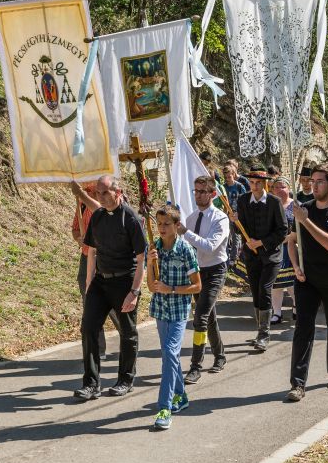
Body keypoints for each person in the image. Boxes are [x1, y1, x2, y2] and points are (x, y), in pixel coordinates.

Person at [74, 175, 147, 401]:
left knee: (127, 332)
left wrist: (134, 291)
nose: (101, 197)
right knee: (89, 328)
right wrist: (89, 283)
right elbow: (92, 251)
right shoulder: (96, 217)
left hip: (124, 282)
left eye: (105, 192)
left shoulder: (131, 219)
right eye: (98, 193)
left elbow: (142, 258)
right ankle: (91, 384)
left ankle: (125, 379)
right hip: (100, 282)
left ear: (118, 192)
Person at [285, 163, 328, 402]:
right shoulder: (304, 209)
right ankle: (297, 383)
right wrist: (295, 266)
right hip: (307, 279)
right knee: (303, 327)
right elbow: (291, 241)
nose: (314, 186)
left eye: (320, 182)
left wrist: (305, 221)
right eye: (312, 182)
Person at [146, 205, 202, 430]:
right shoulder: (154, 248)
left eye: (166, 224)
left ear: (177, 226)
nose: (161, 228)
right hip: (160, 310)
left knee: (169, 353)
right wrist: (150, 264)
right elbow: (152, 286)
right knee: (171, 357)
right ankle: (181, 395)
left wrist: (172, 289)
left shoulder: (185, 250)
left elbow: (197, 285)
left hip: (178, 311)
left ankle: (164, 407)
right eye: (159, 224)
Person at [179, 175, 230, 384]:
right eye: (196, 191)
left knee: (199, 317)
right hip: (197, 272)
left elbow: (210, 246)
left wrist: (186, 233)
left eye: (202, 192)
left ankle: (195, 366)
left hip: (215, 271)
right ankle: (220, 355)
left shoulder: (220, 219)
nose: (198, 195)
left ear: (213, 194)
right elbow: (185, 247)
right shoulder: (191, 219)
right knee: (208, 317)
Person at [233, 165, 289, 352]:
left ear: (265, 184)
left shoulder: (274, 202)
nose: (255, 186)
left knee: (265, 289)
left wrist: (262, 242)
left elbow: (283, 231)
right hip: (251, 256)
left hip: (271, 255)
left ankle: (264, 334)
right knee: (256, 292)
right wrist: (234, 221)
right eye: (252, 182)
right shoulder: (242, 201)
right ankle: (259, 329)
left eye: (258, 183)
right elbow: (237, 230)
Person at [71, 182, 120, 359]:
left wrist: (81, 194)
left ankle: (128, 336)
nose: (87, 192)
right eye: (87, 190)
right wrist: (79, 238)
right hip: (86, 258)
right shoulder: (82, 205)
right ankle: (98, 349)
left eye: (91, 190)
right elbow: (76, 230)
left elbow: (99, 208)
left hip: (103, 258)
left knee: (111, 301)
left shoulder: (104, 206)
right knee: (89, 302)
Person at [269, 177, 297, 324]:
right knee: (275, 283)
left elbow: (300, 229)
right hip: (274, 248)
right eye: (276, 187)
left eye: (283, 187)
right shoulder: (269, 205)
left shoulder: (296, 205)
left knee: (292, 281)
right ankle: (277, 312)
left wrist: (287, 239)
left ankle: (296, 306)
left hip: (291, 247)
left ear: (288, 189)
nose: (279, 190)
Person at [221, 164, 248, 267]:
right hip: (226, 214)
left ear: (233, 174)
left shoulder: (239, 186)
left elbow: (245, 200)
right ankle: (226, 256)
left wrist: (241, 213)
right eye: (226, 177)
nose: (227, 179)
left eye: (229, 177)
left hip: (236, 214)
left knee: (236, 236)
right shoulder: (223, 187)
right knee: (226, 236)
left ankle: (234, 258)